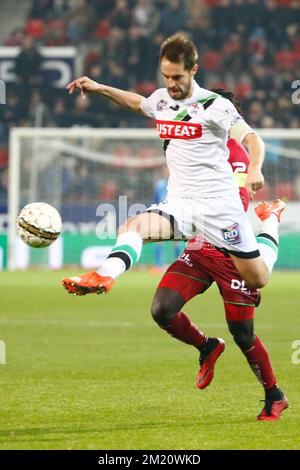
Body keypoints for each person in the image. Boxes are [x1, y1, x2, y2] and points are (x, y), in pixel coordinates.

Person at [61, 33, 285, 302]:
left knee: (257, 278)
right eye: (165, 76)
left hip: (220, 207)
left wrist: (255, 169)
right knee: (132, 228)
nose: (170, 84)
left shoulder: (215, 105)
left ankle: (270, 219)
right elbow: (137, 103)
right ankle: (104, 275)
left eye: (177, 77)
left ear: (194, 70)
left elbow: (252, 138)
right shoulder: (162, 99)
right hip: (180, 203)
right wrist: (99, 88)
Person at [150, 111, 287, 420]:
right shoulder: (188, 148)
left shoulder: (234, 152)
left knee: (242, 333)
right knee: (162, 309)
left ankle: (274, 394)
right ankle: (207, 346)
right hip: (199, 249)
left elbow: (235, 203)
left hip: (228, 251)